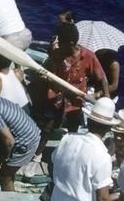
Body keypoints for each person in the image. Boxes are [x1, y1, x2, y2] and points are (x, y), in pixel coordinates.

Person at [23, 22, 109, 177]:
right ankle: (36, 158)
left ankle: (69, 159)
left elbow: (101, 78)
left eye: (60, 43)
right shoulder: (57, 55)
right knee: (47, 128)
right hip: (56, 97)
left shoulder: (88, 56)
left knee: (73, 132)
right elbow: (50, 74)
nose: (57, 46)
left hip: (75, 101)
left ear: (70, 44)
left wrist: (106, 99)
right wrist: (46, 78)